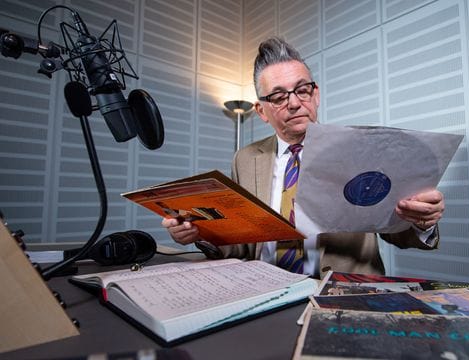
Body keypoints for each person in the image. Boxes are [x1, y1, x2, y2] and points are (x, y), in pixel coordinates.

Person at [162, 37, 445, 278]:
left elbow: (396, 231)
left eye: (302, 90)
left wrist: (422, 222)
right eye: (278, 96)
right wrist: (201, 233)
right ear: (262, 111)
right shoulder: (245, 159)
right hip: (264, 286)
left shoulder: (363, 149)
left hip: (344, 293)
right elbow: (242, 246)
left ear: (316, 94)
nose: (295, 103)